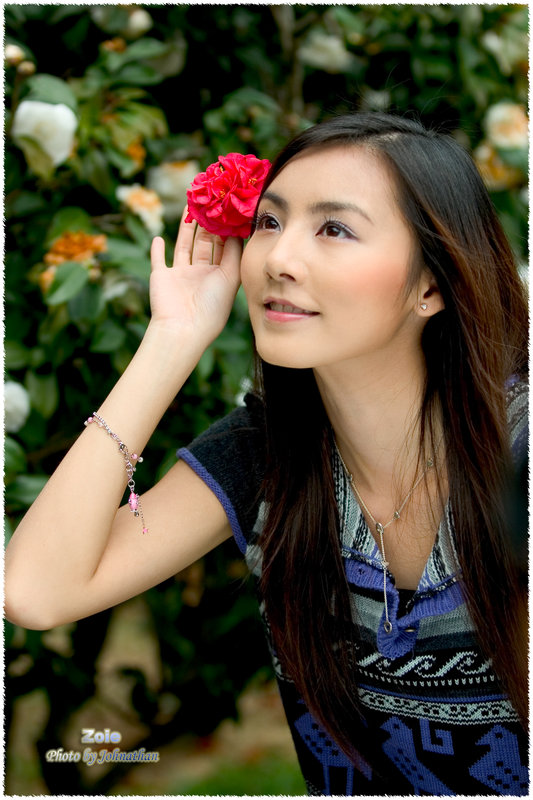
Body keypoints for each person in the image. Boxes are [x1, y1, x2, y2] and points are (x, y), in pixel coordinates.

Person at [5, 113, 528, 796]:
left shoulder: (516, 458)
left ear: (430, 285)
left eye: (334, 229)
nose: (278, 258)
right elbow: (34, 592)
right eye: (270, 222)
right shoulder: (267, 455)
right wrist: (173, 338)